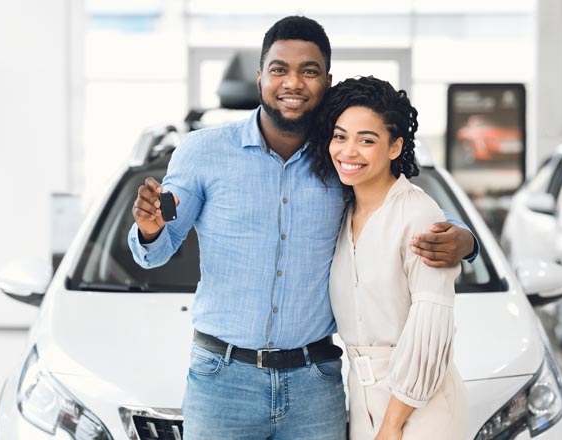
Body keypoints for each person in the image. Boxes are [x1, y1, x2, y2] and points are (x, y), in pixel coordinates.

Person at [128, 16, 475, 440]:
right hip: (222, 381)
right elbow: (160, 247)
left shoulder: (342, 157)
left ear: (326, 81)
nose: (293, 82)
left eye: (308, 71)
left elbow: (397, 203)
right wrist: (149, 230)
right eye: (279, 70)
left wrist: (464, 238)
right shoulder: (202, 153)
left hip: (316, 383)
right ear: (260, 77)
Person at [310, 75, 468, 440]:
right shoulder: (343, 213)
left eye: (367, 140)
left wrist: (392, 424)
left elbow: (431, 327)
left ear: (395, 147)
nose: (349, 152)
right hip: (362, 402)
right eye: (340, 136)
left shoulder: (417, 214)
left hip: (418, 405)